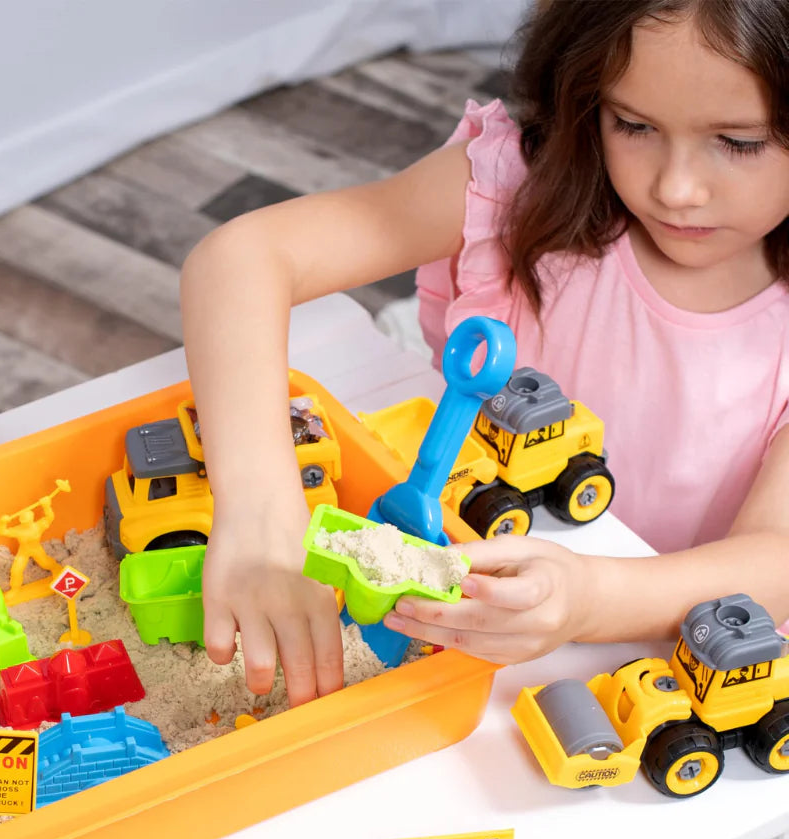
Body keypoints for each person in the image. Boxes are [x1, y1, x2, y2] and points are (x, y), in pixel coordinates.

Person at [180, 0, 789, 707]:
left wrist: (590, 598)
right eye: (633, 125)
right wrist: (260, 508)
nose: (675, 188)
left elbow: (774, 557)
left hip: (663, 654)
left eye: (738, 142)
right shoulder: (523, 186)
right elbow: (241, 258)